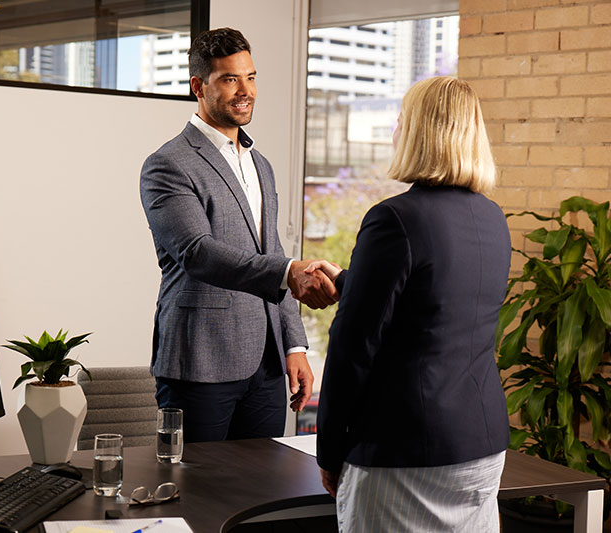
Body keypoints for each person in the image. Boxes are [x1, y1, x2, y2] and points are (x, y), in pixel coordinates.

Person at [312, 76, 511, 532]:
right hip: (480, 446)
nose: (395, 129)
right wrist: (351, 282)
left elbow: (351, 349)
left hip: (404, 450)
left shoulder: (395, 219)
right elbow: (442, 307)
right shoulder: (492, 217)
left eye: (401, 119)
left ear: (420, 131)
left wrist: (329, 449)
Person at [139, 27, 337, 443]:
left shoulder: (260, 163)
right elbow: (198, 253)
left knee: (262, 493)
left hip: (265, 366)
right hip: (200, 363)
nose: (245, 90)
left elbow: (273, 253)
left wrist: (294, 346)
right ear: (199, 86)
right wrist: (289, 272)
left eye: (250, 77)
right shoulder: (168, 164)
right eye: (230, 79)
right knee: (196, 491)